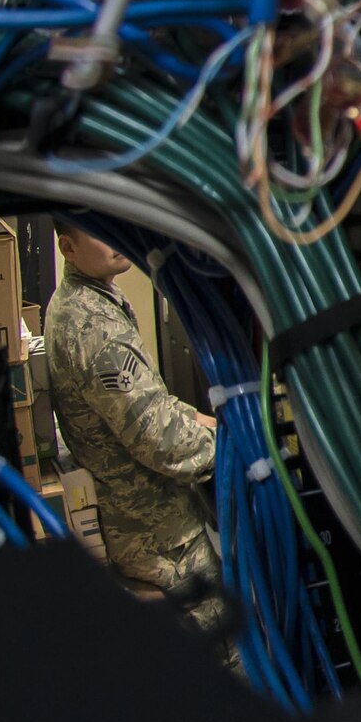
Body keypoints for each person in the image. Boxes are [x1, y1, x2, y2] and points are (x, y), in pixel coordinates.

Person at [45, 218, 223, 631]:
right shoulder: (93, 328)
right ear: (67, 248)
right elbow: (162, 441)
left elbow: (151, 402)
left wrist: (205, 419)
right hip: (157, 533)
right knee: (219, 655)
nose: (112, 236)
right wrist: (241, 446)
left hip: (144, 520)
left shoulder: (85, 298)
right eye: (96, 230)